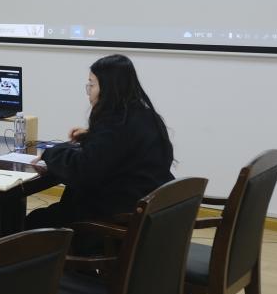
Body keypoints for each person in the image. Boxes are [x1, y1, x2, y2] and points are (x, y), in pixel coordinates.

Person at [27, 54, 174, 233]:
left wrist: (50, 153)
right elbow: (120, 147)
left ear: (108, 88)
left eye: (92, 84)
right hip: (140, 214)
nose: (88, 91)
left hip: (111, 223)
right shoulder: (146, 115)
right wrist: (91, 136)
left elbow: (83, 171)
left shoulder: (114, 123)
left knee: (30, 222)